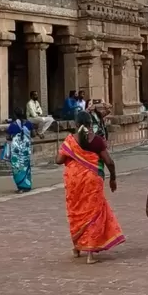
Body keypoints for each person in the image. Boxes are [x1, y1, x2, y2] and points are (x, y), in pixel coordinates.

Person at [56, 111, 124, 263]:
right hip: (92, 181)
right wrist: (113, 178)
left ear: (76, 124)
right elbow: (109, 162)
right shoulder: (97, 141)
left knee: (77, 214)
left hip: (74, 183)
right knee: (93, 214)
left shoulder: (70, 140)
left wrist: (68, 151)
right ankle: (90, 254)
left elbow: (58, 160)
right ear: (90, 124)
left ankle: (76, 248)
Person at [4, 118, 34, 192]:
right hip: (25, 148)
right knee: (26, 166)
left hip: (16, 149)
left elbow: (8, 137)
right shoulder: (28, 123)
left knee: (16, 167)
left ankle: (20, 187)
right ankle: (27, 185)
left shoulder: (13, 125)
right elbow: (33, 134)